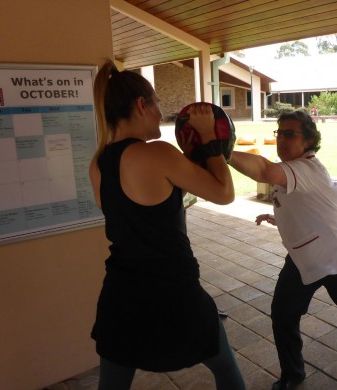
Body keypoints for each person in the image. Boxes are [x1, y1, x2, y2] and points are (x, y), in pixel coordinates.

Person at [89, 60, 244, 390]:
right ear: (141, 105)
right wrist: (208, 142)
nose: (161, 113)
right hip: (175, 294)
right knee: (226, 371)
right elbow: (225, 193)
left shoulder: (98, 163)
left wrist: (188, 159)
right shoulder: (157, 153)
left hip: (121, 297)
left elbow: (149, 206)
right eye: (157, 104)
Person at [228, 110, 337, 390]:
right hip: (303, 258)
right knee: (283, 315)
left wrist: (223, 151)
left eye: (290, 134)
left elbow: (263, 170)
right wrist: (277, 218)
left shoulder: (306, 168)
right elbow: (302, 206)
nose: (281, 139)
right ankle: (292, 375)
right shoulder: (292, 170)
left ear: (308, 140)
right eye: (279, 132)